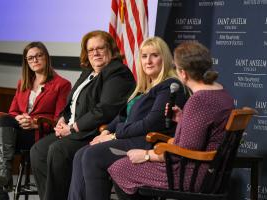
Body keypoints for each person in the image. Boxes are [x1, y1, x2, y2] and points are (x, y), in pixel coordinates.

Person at [108, 41, 235, 200]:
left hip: (191, 174)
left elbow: (184, 151)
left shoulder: (200, 99)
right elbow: (206, 133)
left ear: (183, 73)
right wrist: (183, 119)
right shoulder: (222, 93)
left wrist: (146, 155)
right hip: (211, 173)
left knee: (120, 168)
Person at [67, 37, 189, 200]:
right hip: (130, 138)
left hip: (147, 141)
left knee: (92, 155)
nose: (149, 61)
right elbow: (122, 116)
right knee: (81, 153)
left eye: (154, 55)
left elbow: (152, 123)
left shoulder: (169, 85)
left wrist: (115, 134)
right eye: (144, 56)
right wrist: (107, 131)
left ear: (164, 59)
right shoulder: (143, 89)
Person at [29, 30, 136, 200]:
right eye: (91, 50)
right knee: (38, 150)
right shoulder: (88, 72)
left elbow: (105, 109)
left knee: (57, 150)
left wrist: (72, 128)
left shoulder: (117, 72)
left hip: (92, 132)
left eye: (100, 48)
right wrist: (62, 120)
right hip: (72, 130)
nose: (95, 53)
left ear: (111, 49)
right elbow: (71, 102)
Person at [0, 41, 71, 200]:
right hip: (18, 130)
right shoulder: (23, 83)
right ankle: (4, 176)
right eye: (30, 58)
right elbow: (12, 111)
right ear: (26, 62)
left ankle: (0, 191)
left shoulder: (62, 84)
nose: (35, 60)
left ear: (46, 58)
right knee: (5, 121)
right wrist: (19, 117)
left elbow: (59, 119)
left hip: (39, 134)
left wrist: (34, 122)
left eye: (39, 56)